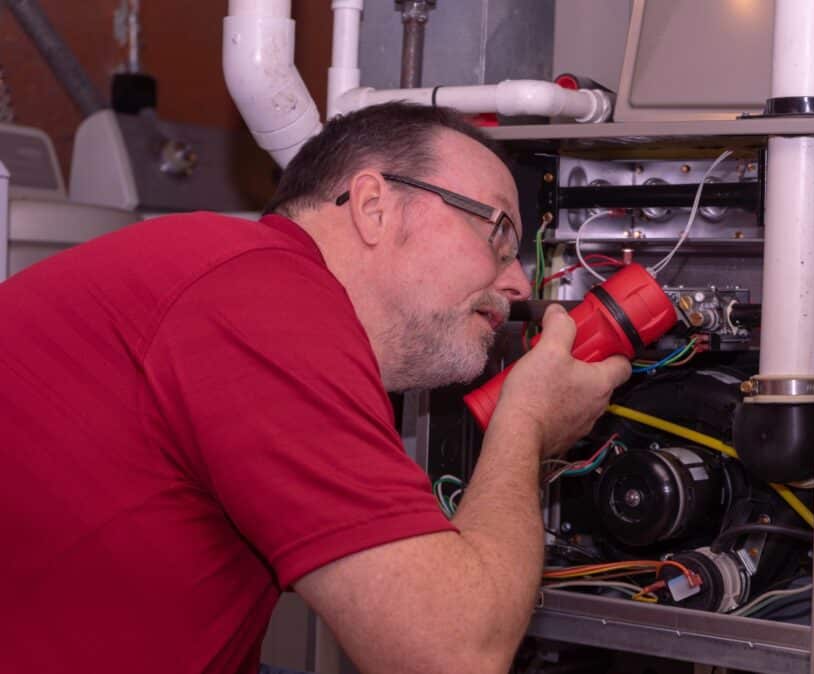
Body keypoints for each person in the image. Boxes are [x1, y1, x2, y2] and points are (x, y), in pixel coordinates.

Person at [0, 102, 631, 674]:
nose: (519, 284)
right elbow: (453, 655)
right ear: (374, 206)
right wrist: (527, 422)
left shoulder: (243, 281)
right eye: (497, 233)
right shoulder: (263, 299)